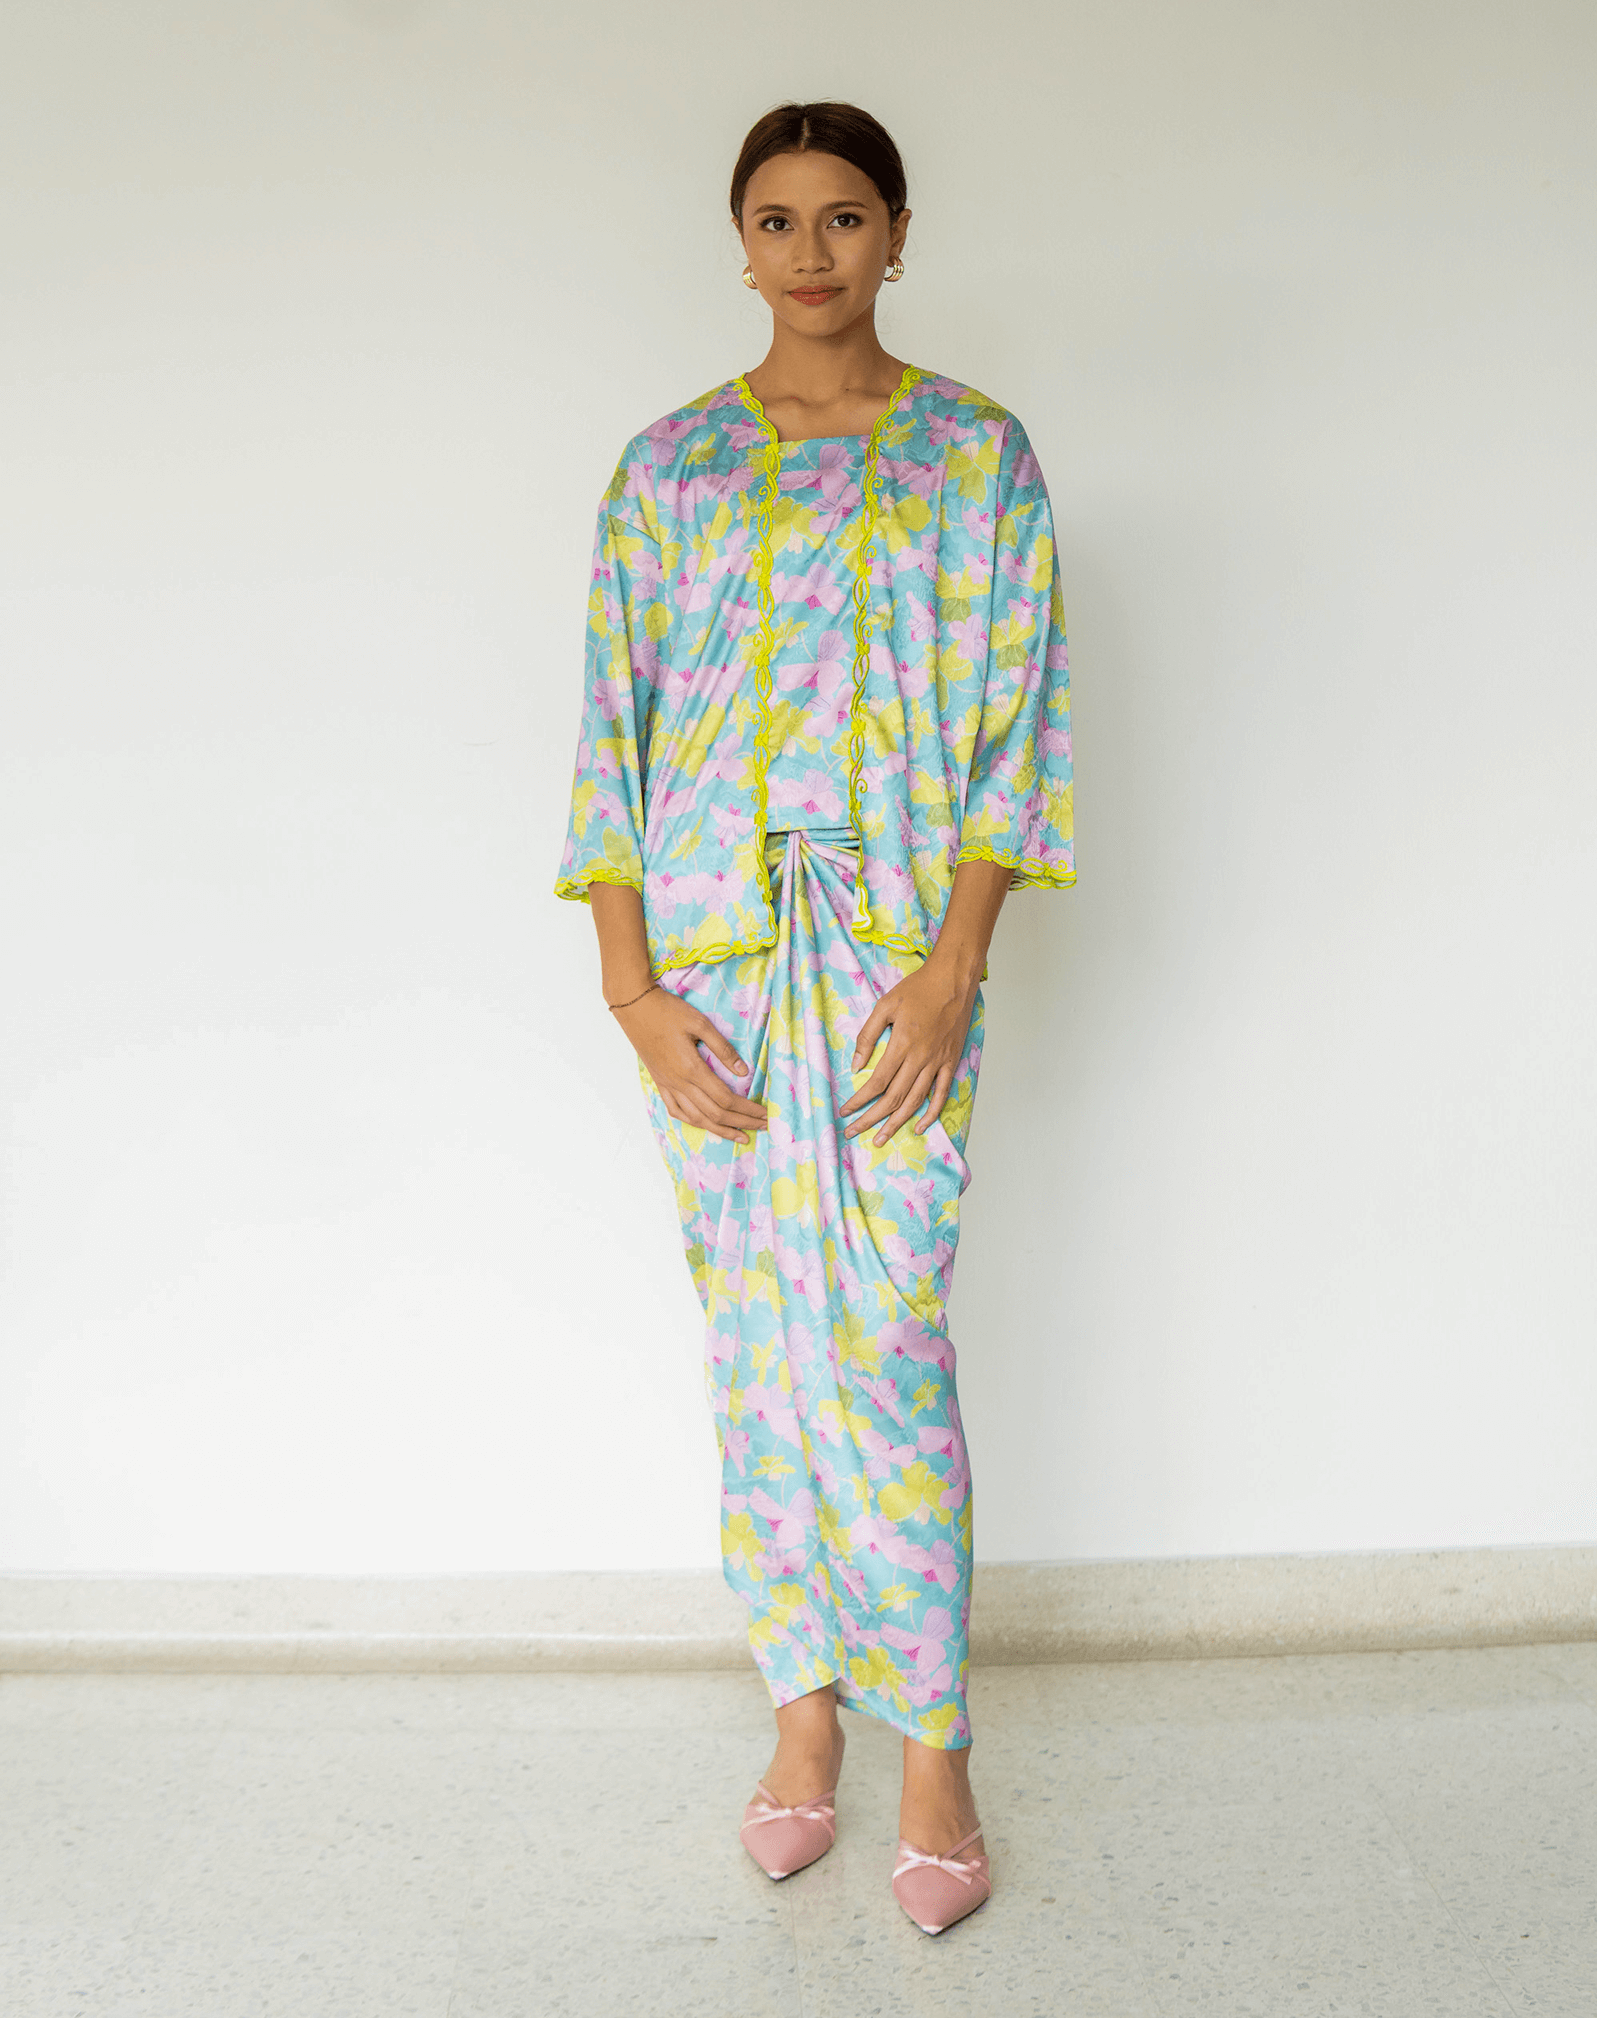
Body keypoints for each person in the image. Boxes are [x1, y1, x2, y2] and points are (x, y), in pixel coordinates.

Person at [556, 101, 1074, 1934]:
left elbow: (1017, 726)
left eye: (844, 216)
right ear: (741, 243)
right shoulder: (669, 469)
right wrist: (632, 993)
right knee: (760, 1349)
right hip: (710, 974)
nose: (809, 251)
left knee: (884, 1344)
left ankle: (935, 1746)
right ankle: (801, 1725)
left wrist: (953, 966)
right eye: (775, 219)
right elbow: (612, 740)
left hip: (891, 964)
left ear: (898, 234)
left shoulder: (975, 456)